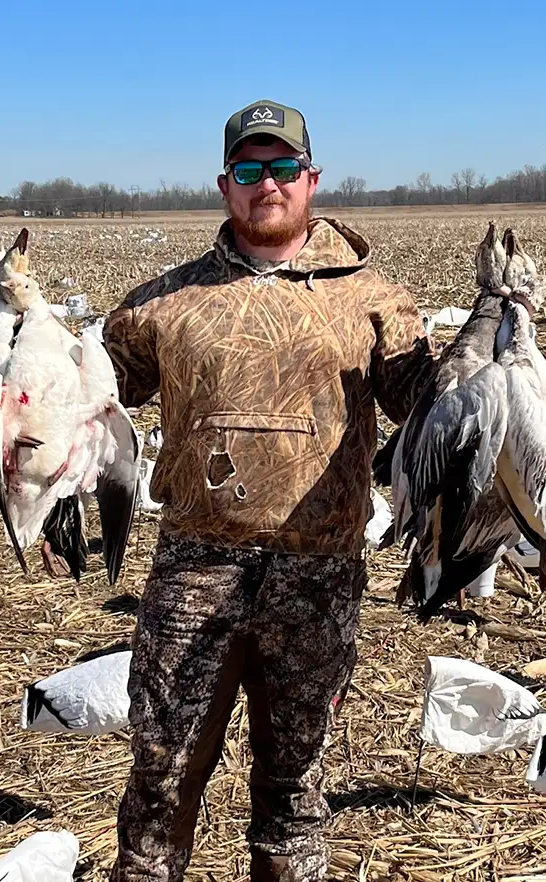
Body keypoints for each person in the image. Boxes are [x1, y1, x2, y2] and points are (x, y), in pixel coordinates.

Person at [104, 99, 436, 882]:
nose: (268, 185)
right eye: (250, 170)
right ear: (226, 185)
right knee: (159, 778)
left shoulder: (374, 300)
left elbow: (427, 402)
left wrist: (495, 348)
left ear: (311, 179)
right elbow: (94, 392)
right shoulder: (163, 303)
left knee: (293, 792)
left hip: (319, 579)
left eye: (283, 168)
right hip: (194, 570)